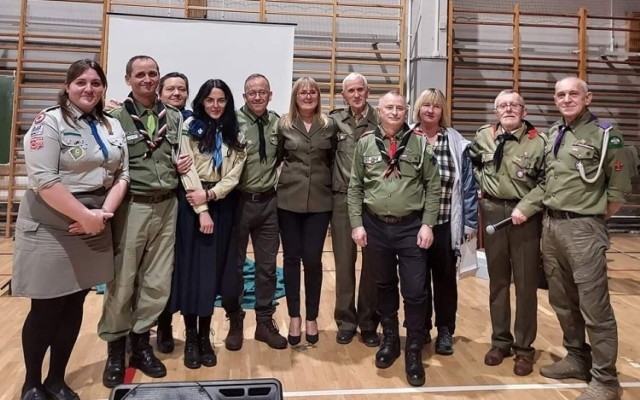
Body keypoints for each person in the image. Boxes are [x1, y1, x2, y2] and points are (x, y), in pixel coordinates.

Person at [13, 59, 129, 400]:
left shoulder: (111, 125)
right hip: (52, 222)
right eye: (81, 82)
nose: (89, 89)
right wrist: (86, 215)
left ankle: (56, 380)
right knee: (47, 306)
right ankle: (32, 383)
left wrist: (103, 212)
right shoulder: (48, 122)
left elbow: (122, 174)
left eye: (96, 83)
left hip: (94, 221)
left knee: (74, 302)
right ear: (68, 86)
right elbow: (44, 179)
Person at [513, 77, 632, 399]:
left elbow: (619, 189)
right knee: (562, 301)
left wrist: (590, 216)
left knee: (594, 305)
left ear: (587, 97)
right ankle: (577, 357)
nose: (566, 99)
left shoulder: (607, 135)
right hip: (551, 226)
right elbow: (549, 184)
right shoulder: (555, 134)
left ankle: (606, 380)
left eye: (573, 94)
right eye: (560, 95)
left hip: (582, 229)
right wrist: (525, 207)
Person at [97, 55, 194, 388]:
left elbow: (181, 157)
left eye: (153, 73)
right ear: (128, 80)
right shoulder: (113, 117)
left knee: (157, 281)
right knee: (123, 281)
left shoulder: (175, 117)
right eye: (140, 75)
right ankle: (115, 349)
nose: (148, 79)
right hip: (132, 206)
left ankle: (141, 345)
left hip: (167, 206)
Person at [347, 91, 440, 387]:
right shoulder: (365, 144)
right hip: (375, 227)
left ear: (406, 111)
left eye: (400, 108)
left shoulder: (420, 144)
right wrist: (356, 224)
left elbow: (433, 187)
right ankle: (390, 339)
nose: (395, 112)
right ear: (380, 110)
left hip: (410, 227)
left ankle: (413, 347)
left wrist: (427, 225)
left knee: (415, 291)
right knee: (384, 286)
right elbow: (355, 188)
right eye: (389, 107)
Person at [167, 78, 247, 368]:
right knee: (191, 272)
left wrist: (212, 195)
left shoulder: (234, 133)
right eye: (210, 100)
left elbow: (234, 174)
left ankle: (205, 335)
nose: (215, 106)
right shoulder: (189, 128)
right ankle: (190, 336)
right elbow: (185, 168)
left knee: (213, 273)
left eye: (221, 100)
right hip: (192, 205)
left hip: (223, 206)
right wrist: (201, 207)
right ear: (201, 101)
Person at [467, 89, 545, 376]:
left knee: (525, 284)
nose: (509, 109)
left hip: (524, 216)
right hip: (492, 212)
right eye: (503, 105)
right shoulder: (483, 136)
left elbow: (548, 181)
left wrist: (527, 206)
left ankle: (524, 349)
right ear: (496, 111)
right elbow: (473, 162)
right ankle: (501, 341)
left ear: (523, 111)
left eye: (514, 105)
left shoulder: (540, 142)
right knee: (497, 281)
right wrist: (481, 187)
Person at [413, 88, 477, 356]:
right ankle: (422, 327)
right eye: (426, 105)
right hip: (414, 224)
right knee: (416, 281)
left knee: (445, 281)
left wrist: (469, 225)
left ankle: (445, 330)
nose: (430, 110)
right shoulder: (406, 137)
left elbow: (468, 188)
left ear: (442, 111)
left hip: (445, 225)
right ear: (418, 109)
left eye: (436, 106)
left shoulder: (457, 144)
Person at [277, 76, 336, 345]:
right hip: (288, 202)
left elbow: (335, 160)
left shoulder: (328, 126)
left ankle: (311, 317)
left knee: (312, 260)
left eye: (313, 92)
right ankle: (294, 317)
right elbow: (276, 158)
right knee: (291, 259)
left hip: (320, 204)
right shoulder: (284, 125)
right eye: (303, 92)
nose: (308, 96)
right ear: (295, 96)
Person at [235, 73, 288, 349]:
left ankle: (264, 324)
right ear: (244, 96)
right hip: (238, 203)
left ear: (270, 95)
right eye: (252, 93)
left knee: (267, 269)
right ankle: (235, 322)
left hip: (268, 204)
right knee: (233, 267)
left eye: (262, 92)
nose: (257, 97)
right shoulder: (231, 121)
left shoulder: (278, 123)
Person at [329, 73, 379, 347]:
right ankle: (346, 321)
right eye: (351, 91)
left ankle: (369, 322)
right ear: (343, 95)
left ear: (367, 91)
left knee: (371, 265)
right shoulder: (334, 120)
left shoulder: (382, 120)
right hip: (341, 200)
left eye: (360, 89)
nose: (356, 95)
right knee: (344, 264)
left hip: (373, 202)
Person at [154, 71, 193, 354]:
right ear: (160, 92)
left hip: (188, 202)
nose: (176, 93)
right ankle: (163, 324)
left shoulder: (194, 119)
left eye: (181, 89)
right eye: (170, 89)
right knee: (160, 269)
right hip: (160, 201)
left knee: (186, 266)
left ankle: (191, 328)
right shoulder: (148, 117)